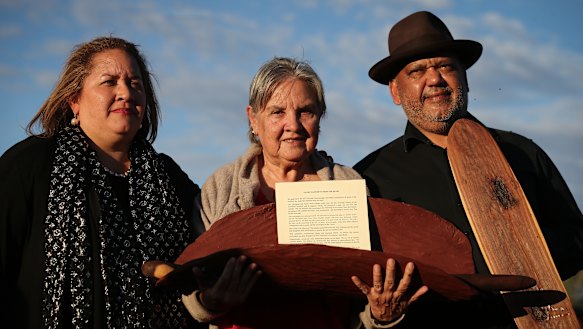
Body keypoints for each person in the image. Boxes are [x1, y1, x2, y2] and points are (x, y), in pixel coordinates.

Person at [354, 10, 583, 328]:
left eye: (445, 66)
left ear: (464, 76)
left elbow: (578, 238)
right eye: (417, 71)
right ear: (395, 91)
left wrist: (527, 251)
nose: (434, 79)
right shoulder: (370, 176)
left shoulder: (523, 153)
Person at [181, 57, 428, 329]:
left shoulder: (348, 184)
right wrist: (210, 301)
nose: (293, 125)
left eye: (305, 111)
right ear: (253, 118)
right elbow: (190, 284)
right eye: (277, 112)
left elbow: (366, 289)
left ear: (319, 116)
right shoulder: (220, 188)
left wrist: (380, 314)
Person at [0, 36, 205, 328]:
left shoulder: (168, 177)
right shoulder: (30, 165)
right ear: (75, 100)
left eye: (135, 83)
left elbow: (209, 245)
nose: (125, 92)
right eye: (109, 82)